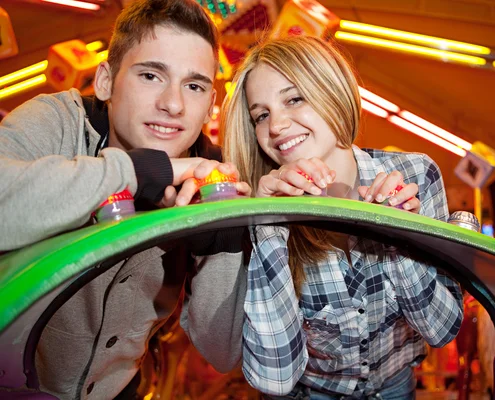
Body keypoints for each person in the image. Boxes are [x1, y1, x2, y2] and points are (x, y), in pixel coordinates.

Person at [0, 0, 247, 398]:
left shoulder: (214, 179)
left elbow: (222, 353)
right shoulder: (59, 121)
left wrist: (219, 236)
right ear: (104, 81)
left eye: (195, 86)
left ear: (210, 107)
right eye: (151, 75)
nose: (173, 104)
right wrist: (141, 171)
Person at [222, 35, 464, 399]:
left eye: (294, 98)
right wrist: (269, 225)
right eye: (262, 115)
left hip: (396, 388)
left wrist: (398, 234)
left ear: (332, 90)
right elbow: (275, 378)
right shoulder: (256, 208)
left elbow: (441, 330)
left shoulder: (416, 173)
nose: (275, 127)